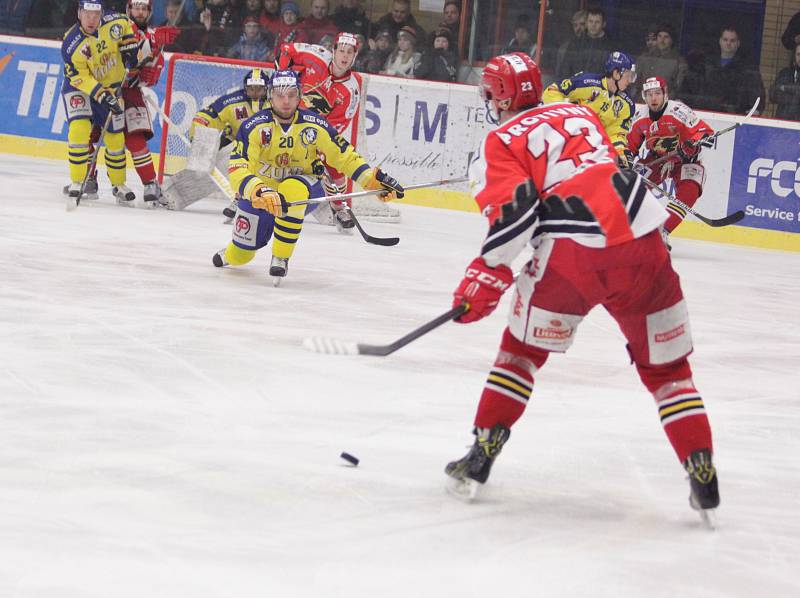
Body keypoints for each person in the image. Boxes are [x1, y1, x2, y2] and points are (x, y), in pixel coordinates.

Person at [444, 53, 719, 519]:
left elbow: (516, 215)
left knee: (521, 353)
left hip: (575, 250)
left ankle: (481, 453)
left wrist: (485, 275)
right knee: (668, 371)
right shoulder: (582, 111)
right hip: (643, 234)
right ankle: (701, 467)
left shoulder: (499, 141)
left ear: (498, 95)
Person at [211, 69, 404, 284]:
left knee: (292, 190)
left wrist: (372, 180)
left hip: (307, 183)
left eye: (292, 94)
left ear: (300, 95)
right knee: (242, 253)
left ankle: (281, 256)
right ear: (270, 96)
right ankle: (231, 254)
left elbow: (344, 156)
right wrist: (258, 189)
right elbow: (238, 169)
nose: (286, 101)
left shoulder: (315, 124)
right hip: (262, 193)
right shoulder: (253, 127)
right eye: (280, 95)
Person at [274, 32, 365, 230]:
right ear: (333, 51)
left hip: (313, 131)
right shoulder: (316, 56)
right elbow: (286, 50)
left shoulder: (352, 90)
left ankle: (338, 206)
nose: (344, 55)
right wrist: (282, 76)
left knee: (336, 165)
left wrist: (317, 143)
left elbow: (338, 124)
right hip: (286, 116)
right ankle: (245, 196)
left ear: (354, 56)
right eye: (341, 50)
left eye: (349, 52)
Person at [61, 0, 139, 206]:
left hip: (111, 84)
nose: (91, 19)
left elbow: (127, 25)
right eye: (87, 14)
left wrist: (129, 45)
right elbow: (81, 79)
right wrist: (104, 96)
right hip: (79, 88)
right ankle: (77, 181)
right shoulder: (71, 43)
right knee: (79, 129)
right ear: (79, 13)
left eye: (96, 15)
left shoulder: (115, 22)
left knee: (115, 137)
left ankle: (118, 184)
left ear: (102, 14)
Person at [162, 68, 271, 211]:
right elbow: (205, 116)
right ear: (245, 88)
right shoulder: (232, 101)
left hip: (268, 149)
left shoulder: (277, 103)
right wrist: (199, 135)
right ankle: (169, 193)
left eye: (259, 89)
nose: (255, 93)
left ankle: (247, 199)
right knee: (211, 169)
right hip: (235, 145)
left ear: (267, 89)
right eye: (251, 89)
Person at [627, 76, 714, 244]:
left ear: (665, 93)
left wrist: (692, 145)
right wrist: (626, 161)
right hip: (657, 159)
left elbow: (706, 133)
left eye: (657, 93)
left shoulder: (679, 111)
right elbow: (629, 146)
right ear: (644, 96)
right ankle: (628, 227)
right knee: (632, 184)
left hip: (687, 160)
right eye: (649, 94)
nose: (653, 98)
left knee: (690, 189)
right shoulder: (640, 117)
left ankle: (663, 232)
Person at [542, 51, 637, 162]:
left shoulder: (627, 104)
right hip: (561, 141)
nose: (630, 81)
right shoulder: (586, 83)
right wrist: (566, 119)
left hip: (589, 151)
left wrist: (621, 154)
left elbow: (615, 134)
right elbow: (551, 91)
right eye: (629, 76)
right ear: (616, 73)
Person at [704, 26, 764, 115]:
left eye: (732, 41)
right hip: (709, 113)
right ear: (720, 41)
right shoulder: (708, 64)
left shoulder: (747, 68)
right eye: (725, 40)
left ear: (738, 43)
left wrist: (755, 110)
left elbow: (755, 92)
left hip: (735, 115)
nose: (728, 43)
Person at [631, 23, 687, 101]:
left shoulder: (679, 62)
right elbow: (635, 82)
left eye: (666, 37)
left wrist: (664, 101)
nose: (662, 40)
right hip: (642, 102)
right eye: (659, 36)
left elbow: (677, 89)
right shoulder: (644, 58)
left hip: (666, 104)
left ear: (672, 40)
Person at [561, 6, 613, 78]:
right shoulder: (575, 44)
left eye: (597, 22)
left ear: (604, 24)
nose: (593, 25)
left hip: (599, 87)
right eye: (590, 21)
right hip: (577, 86)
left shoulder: (611, 46)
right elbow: (565, 69)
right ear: (586, 23)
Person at [770, 44, 800, 121]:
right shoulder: (785, 73)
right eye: (798, 54)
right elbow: (773, 95)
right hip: (782, 122)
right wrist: (794, 92)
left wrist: (785, 88)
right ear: (794, 56)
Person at [555, 9, 586, 79]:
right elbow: (559, 73)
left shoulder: (595, 46)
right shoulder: (564, 47)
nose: (578, 28)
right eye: (575, 25)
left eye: (582, 24)